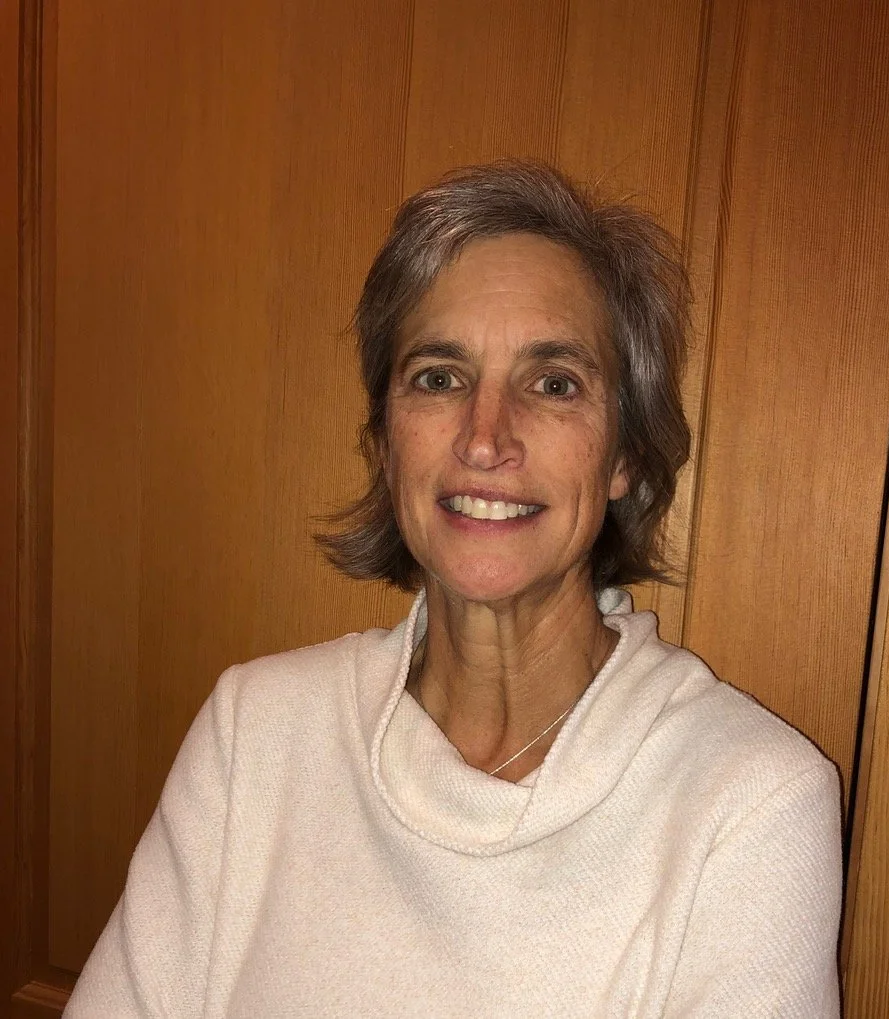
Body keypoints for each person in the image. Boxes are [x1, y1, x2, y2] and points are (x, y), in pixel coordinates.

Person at [66, 162, 842, 1017]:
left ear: (624, 455)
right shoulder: (256, 731)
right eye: (439, 377)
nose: (484, 438)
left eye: (553, 383)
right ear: (385, 440)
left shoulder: (749, 801)